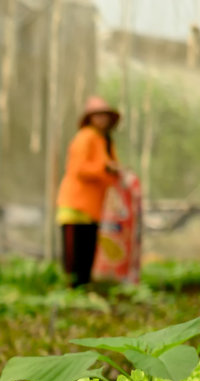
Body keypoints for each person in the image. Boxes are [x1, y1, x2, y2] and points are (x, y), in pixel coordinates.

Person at [56, 95, 122, 288]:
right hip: (75, 205)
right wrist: (106, 167)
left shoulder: (105, 141)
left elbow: (111, 169)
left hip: (93, 206)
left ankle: (83, 291)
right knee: (74, 257)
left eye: (105, 115)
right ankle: (71, 293)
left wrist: (113, 170)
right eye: (97, 115)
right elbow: (79, 168)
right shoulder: (85, 137)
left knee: (87, 253)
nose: (102, 119)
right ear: (90, 118)